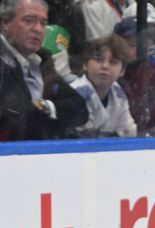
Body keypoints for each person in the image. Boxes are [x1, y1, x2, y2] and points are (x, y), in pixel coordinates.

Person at [0, 0, 88, 140]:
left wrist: (45, 105)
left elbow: (80, 108)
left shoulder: (43, 59)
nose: (38, 29)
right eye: (29, 20)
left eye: (43, 23)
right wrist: (52, 112)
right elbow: (14, 117)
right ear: (5, 23)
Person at [70, 34, 136, 137]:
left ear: (122, 71)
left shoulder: (118, 93)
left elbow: (129, 132)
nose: (105, 66)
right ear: (85, 64)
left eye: (113, 62)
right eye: (98, 59)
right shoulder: (74, 93)